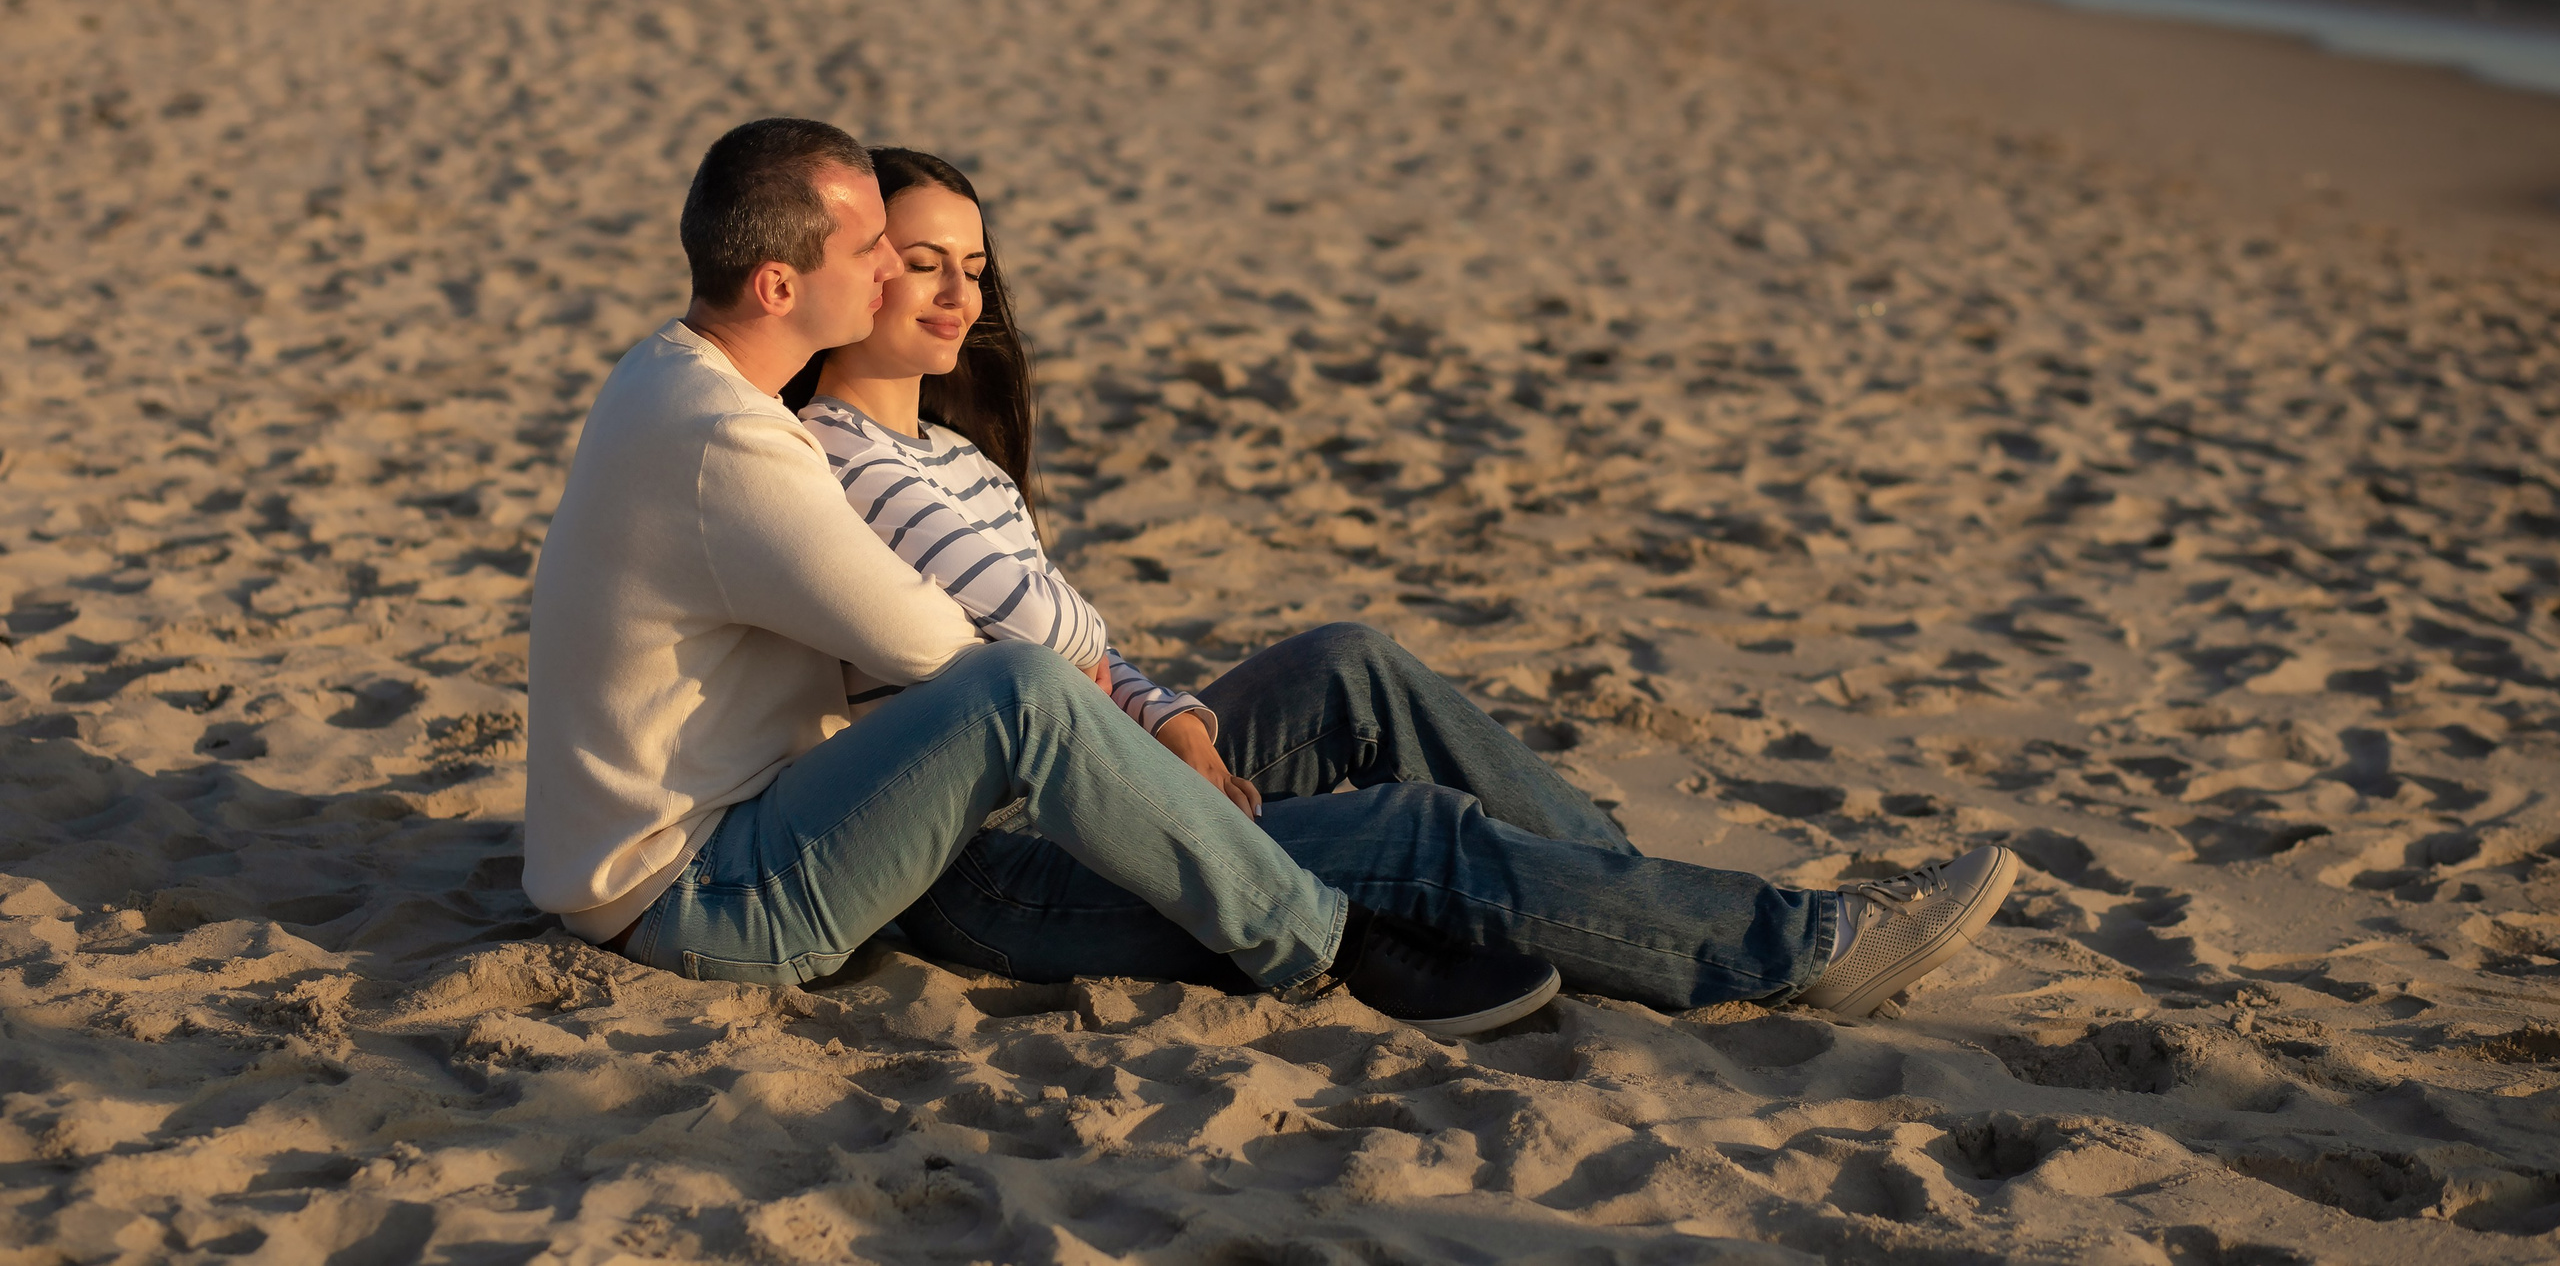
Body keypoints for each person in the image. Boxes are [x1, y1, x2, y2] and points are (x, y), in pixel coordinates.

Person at [781, 143, 2017, 1020]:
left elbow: (1073, 649)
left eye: (974, 264)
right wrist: (1168, 729)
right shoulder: (840, 458)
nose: (961, 292)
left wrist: (1184, 720)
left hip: (1090, 782)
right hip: (992, 870)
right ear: (856, 272)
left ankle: (1616, 894)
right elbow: (1047, 628)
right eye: (923, 261)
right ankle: (1794, 949)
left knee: (1348, 663)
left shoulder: (950, 457)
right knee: (1403, 831)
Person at [526, 117, 1561, 1038]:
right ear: (779, 286)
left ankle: (1565, 865)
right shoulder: (732, 442)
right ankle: (1324, 943)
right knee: (1011, 689)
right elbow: (945, 649)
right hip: (701, 896)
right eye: (871, 250)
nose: (890, 269)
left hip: (695, 842)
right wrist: (1120, 697)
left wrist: (1149, 716)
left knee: (1118, 683)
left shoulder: (662, 371)